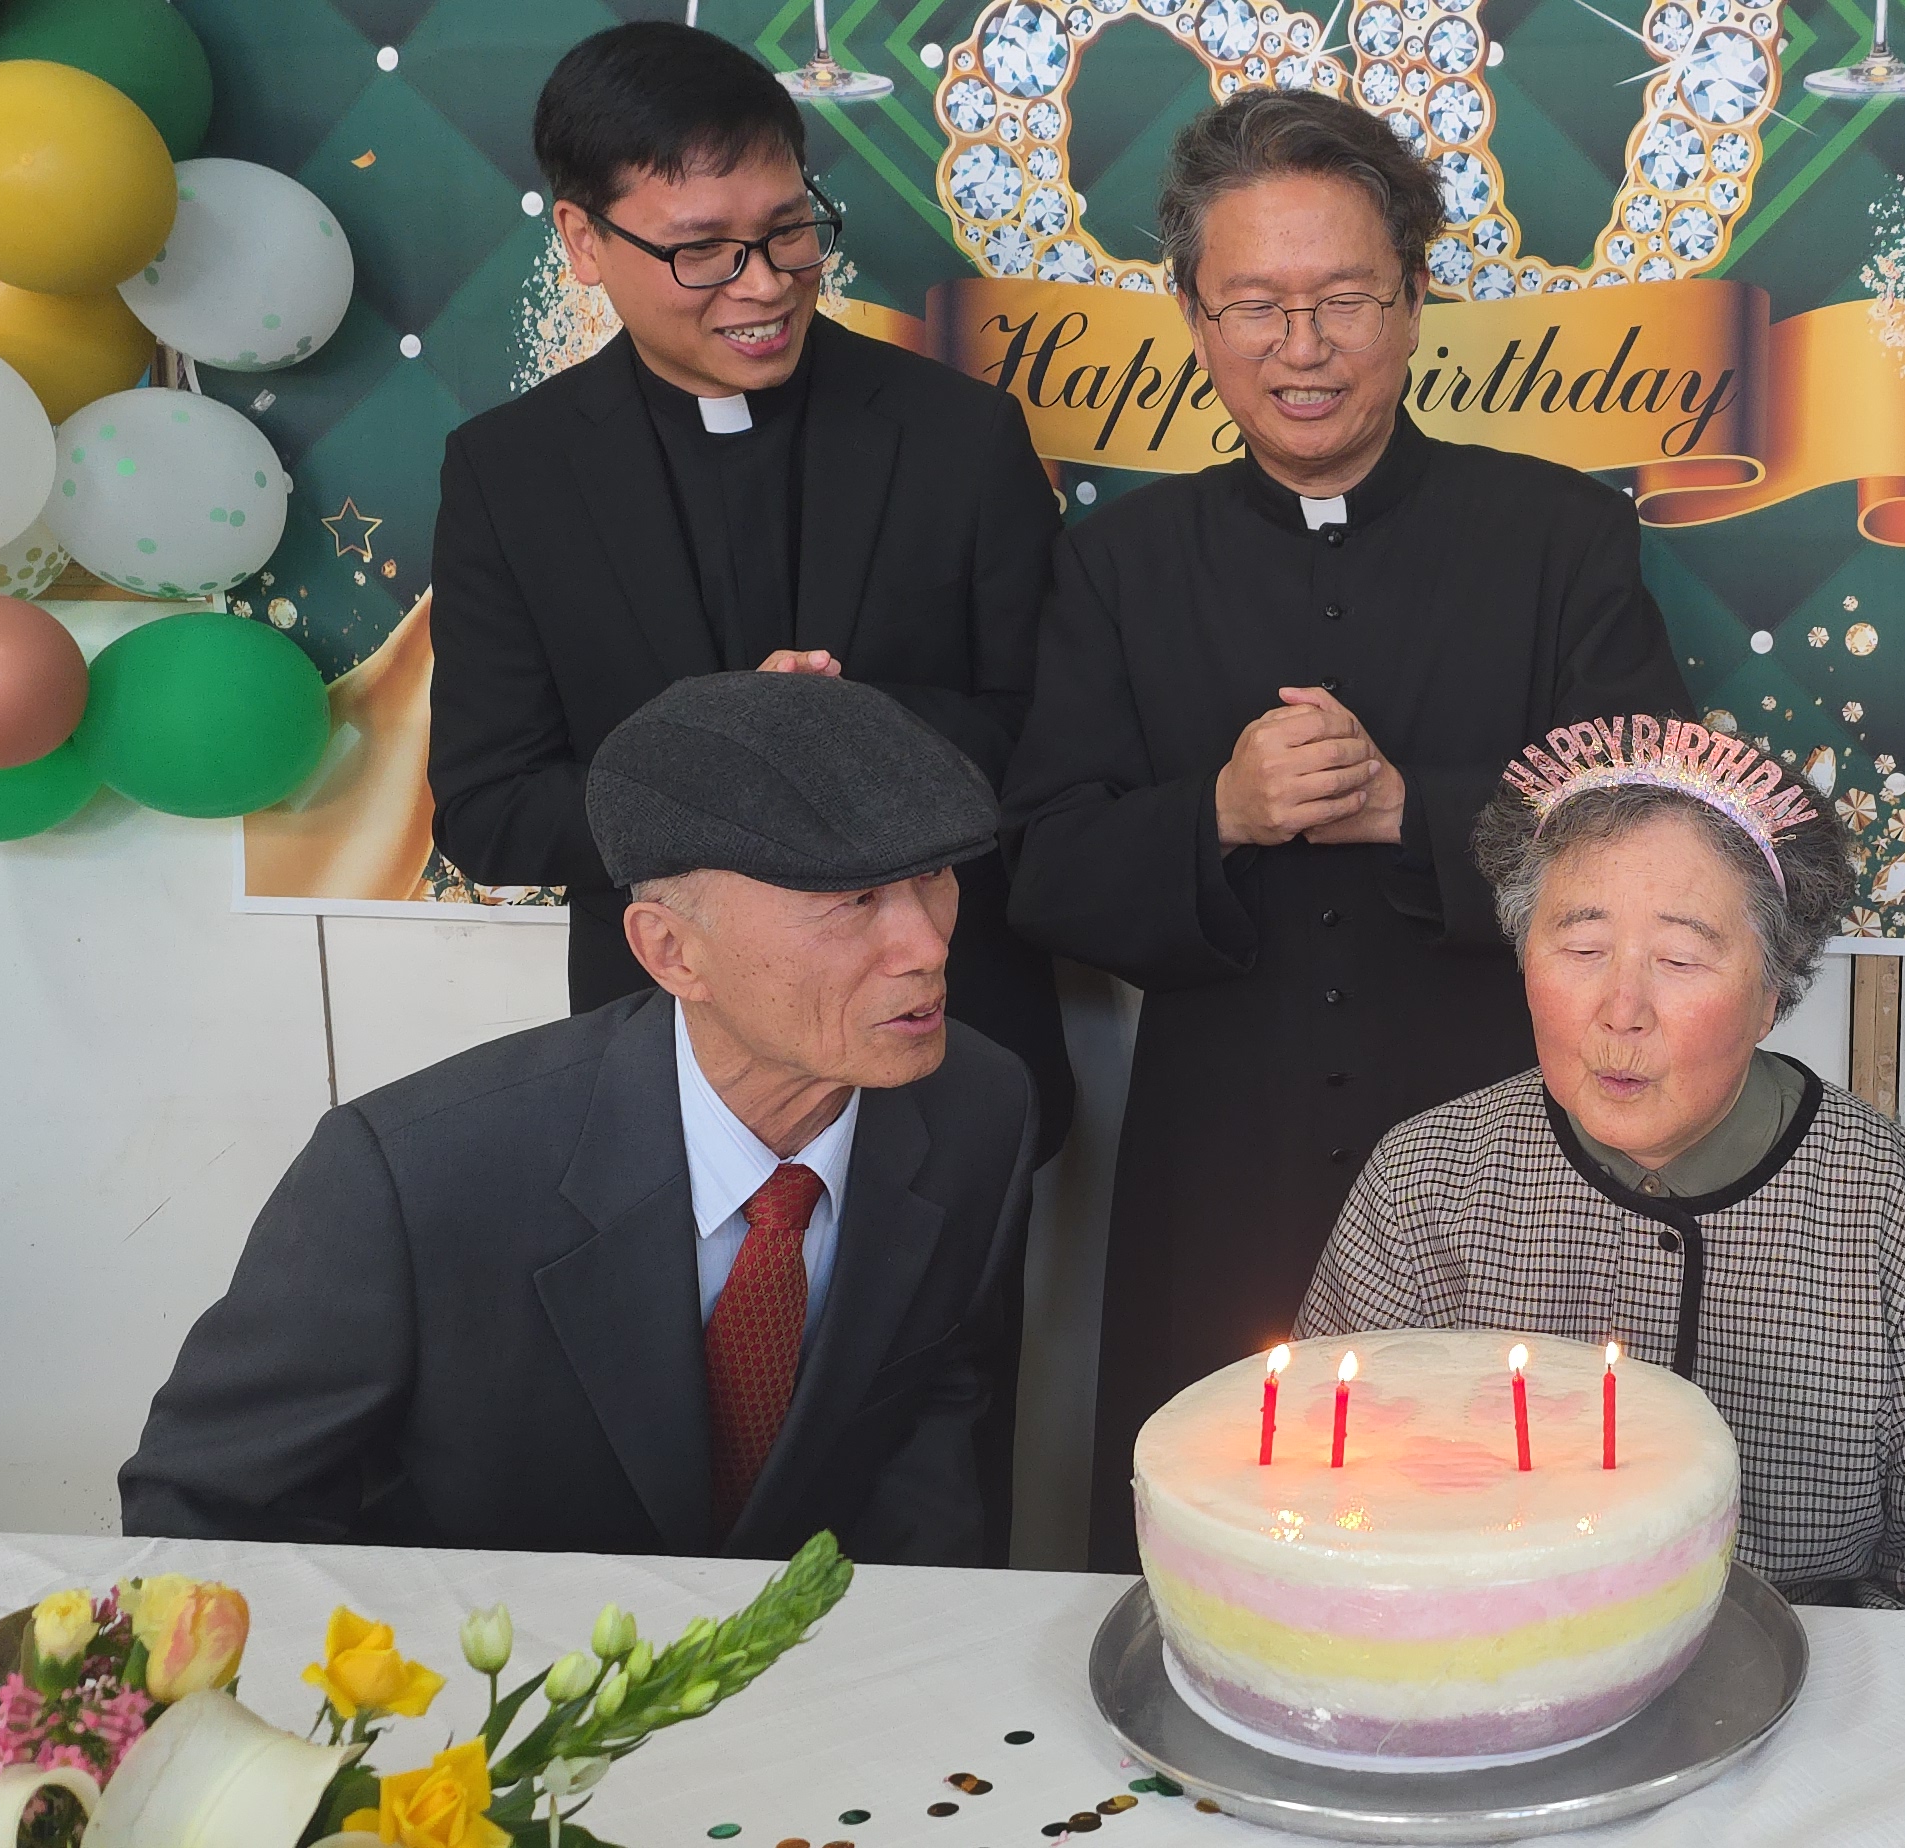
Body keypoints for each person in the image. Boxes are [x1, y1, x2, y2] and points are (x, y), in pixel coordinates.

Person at [1002, 89, 1694, 1570]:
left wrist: (1414, 812)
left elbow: (1656, 829)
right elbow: (1044, 864)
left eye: (1343, 301)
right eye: (1255, 304)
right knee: (1221, 1550)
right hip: (1218, 1160)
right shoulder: (1117, 565)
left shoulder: (1559, 537)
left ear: (1417, 296)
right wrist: (1220, 815)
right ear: (1192, 313)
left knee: (1519, 1543)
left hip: (1503, 1144)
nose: (1300, 349)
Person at [124, 674, 1037, 1564]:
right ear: (670, 951)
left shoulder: (978, 1109)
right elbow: (207, 1517)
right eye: (852, 901)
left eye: (935, 877)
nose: (927, 945)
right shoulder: (413, 1175)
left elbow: (932, 1428)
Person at [426, 22, 1072, 1161]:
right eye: (704, 251)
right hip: (665, 1072)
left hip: (949, 1051)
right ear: (582, 236)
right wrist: (714, 772)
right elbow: (487, 809)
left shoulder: (958, 436)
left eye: (789, 232)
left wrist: (846, 730)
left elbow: (1058, 742)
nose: (765, 285)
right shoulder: (509, 473)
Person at [1295, 717, 1905, 1616]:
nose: (1621, 1010)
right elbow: (1327, 1501)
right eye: (1583, 950)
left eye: (1678, 959)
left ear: (1772, 991)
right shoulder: (1427, 1182)